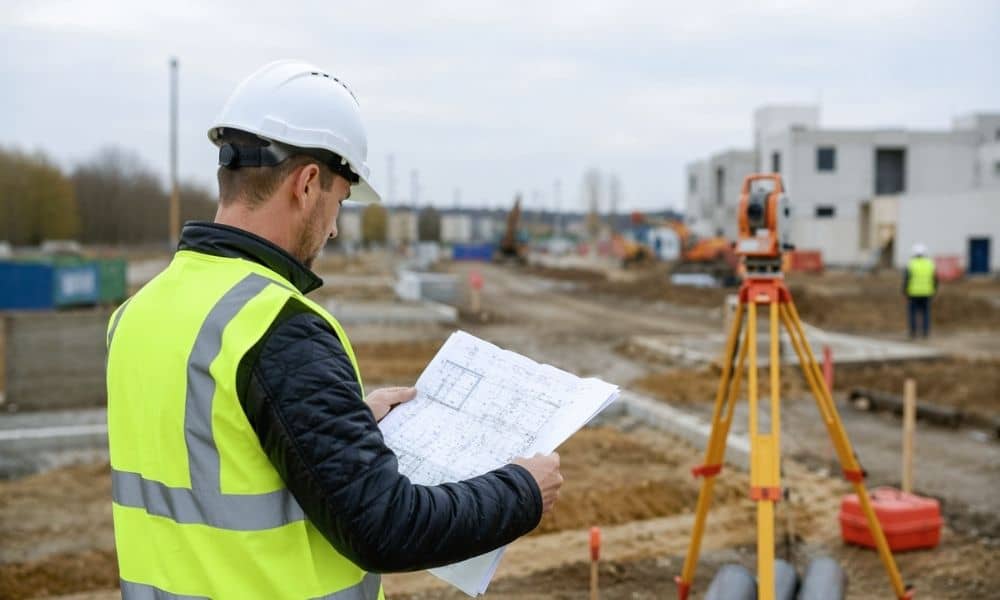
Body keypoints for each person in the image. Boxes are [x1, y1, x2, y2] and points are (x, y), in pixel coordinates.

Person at [105, 60, 563, 599]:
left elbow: (211, 458)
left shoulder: (137, 314)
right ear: (307, 184)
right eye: (340, 202)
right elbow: (388, 526)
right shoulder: (277, 328)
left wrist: (332, 425)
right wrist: (521, 492)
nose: (335, 228)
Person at [903, 243, 937, 338]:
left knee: (912, 313)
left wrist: (905, 290)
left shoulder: (911, 264)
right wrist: (934, 290)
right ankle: (925, 332)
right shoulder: (930, 264)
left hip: (913, 293)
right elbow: (935, 279)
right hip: (927, 292)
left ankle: (913, 332)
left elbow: (907, 279)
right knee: (926, 313)